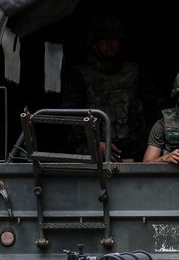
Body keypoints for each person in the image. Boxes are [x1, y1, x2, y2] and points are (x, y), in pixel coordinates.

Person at [63, 15, 149, 161]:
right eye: (103, 39)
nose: (109, 44)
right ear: (94, 44)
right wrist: (93, 143)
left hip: (134, 149)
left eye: (114, 39)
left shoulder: (136, 72)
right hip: (94, 150)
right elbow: (71, 118)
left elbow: (156, 110)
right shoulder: (80, 75)